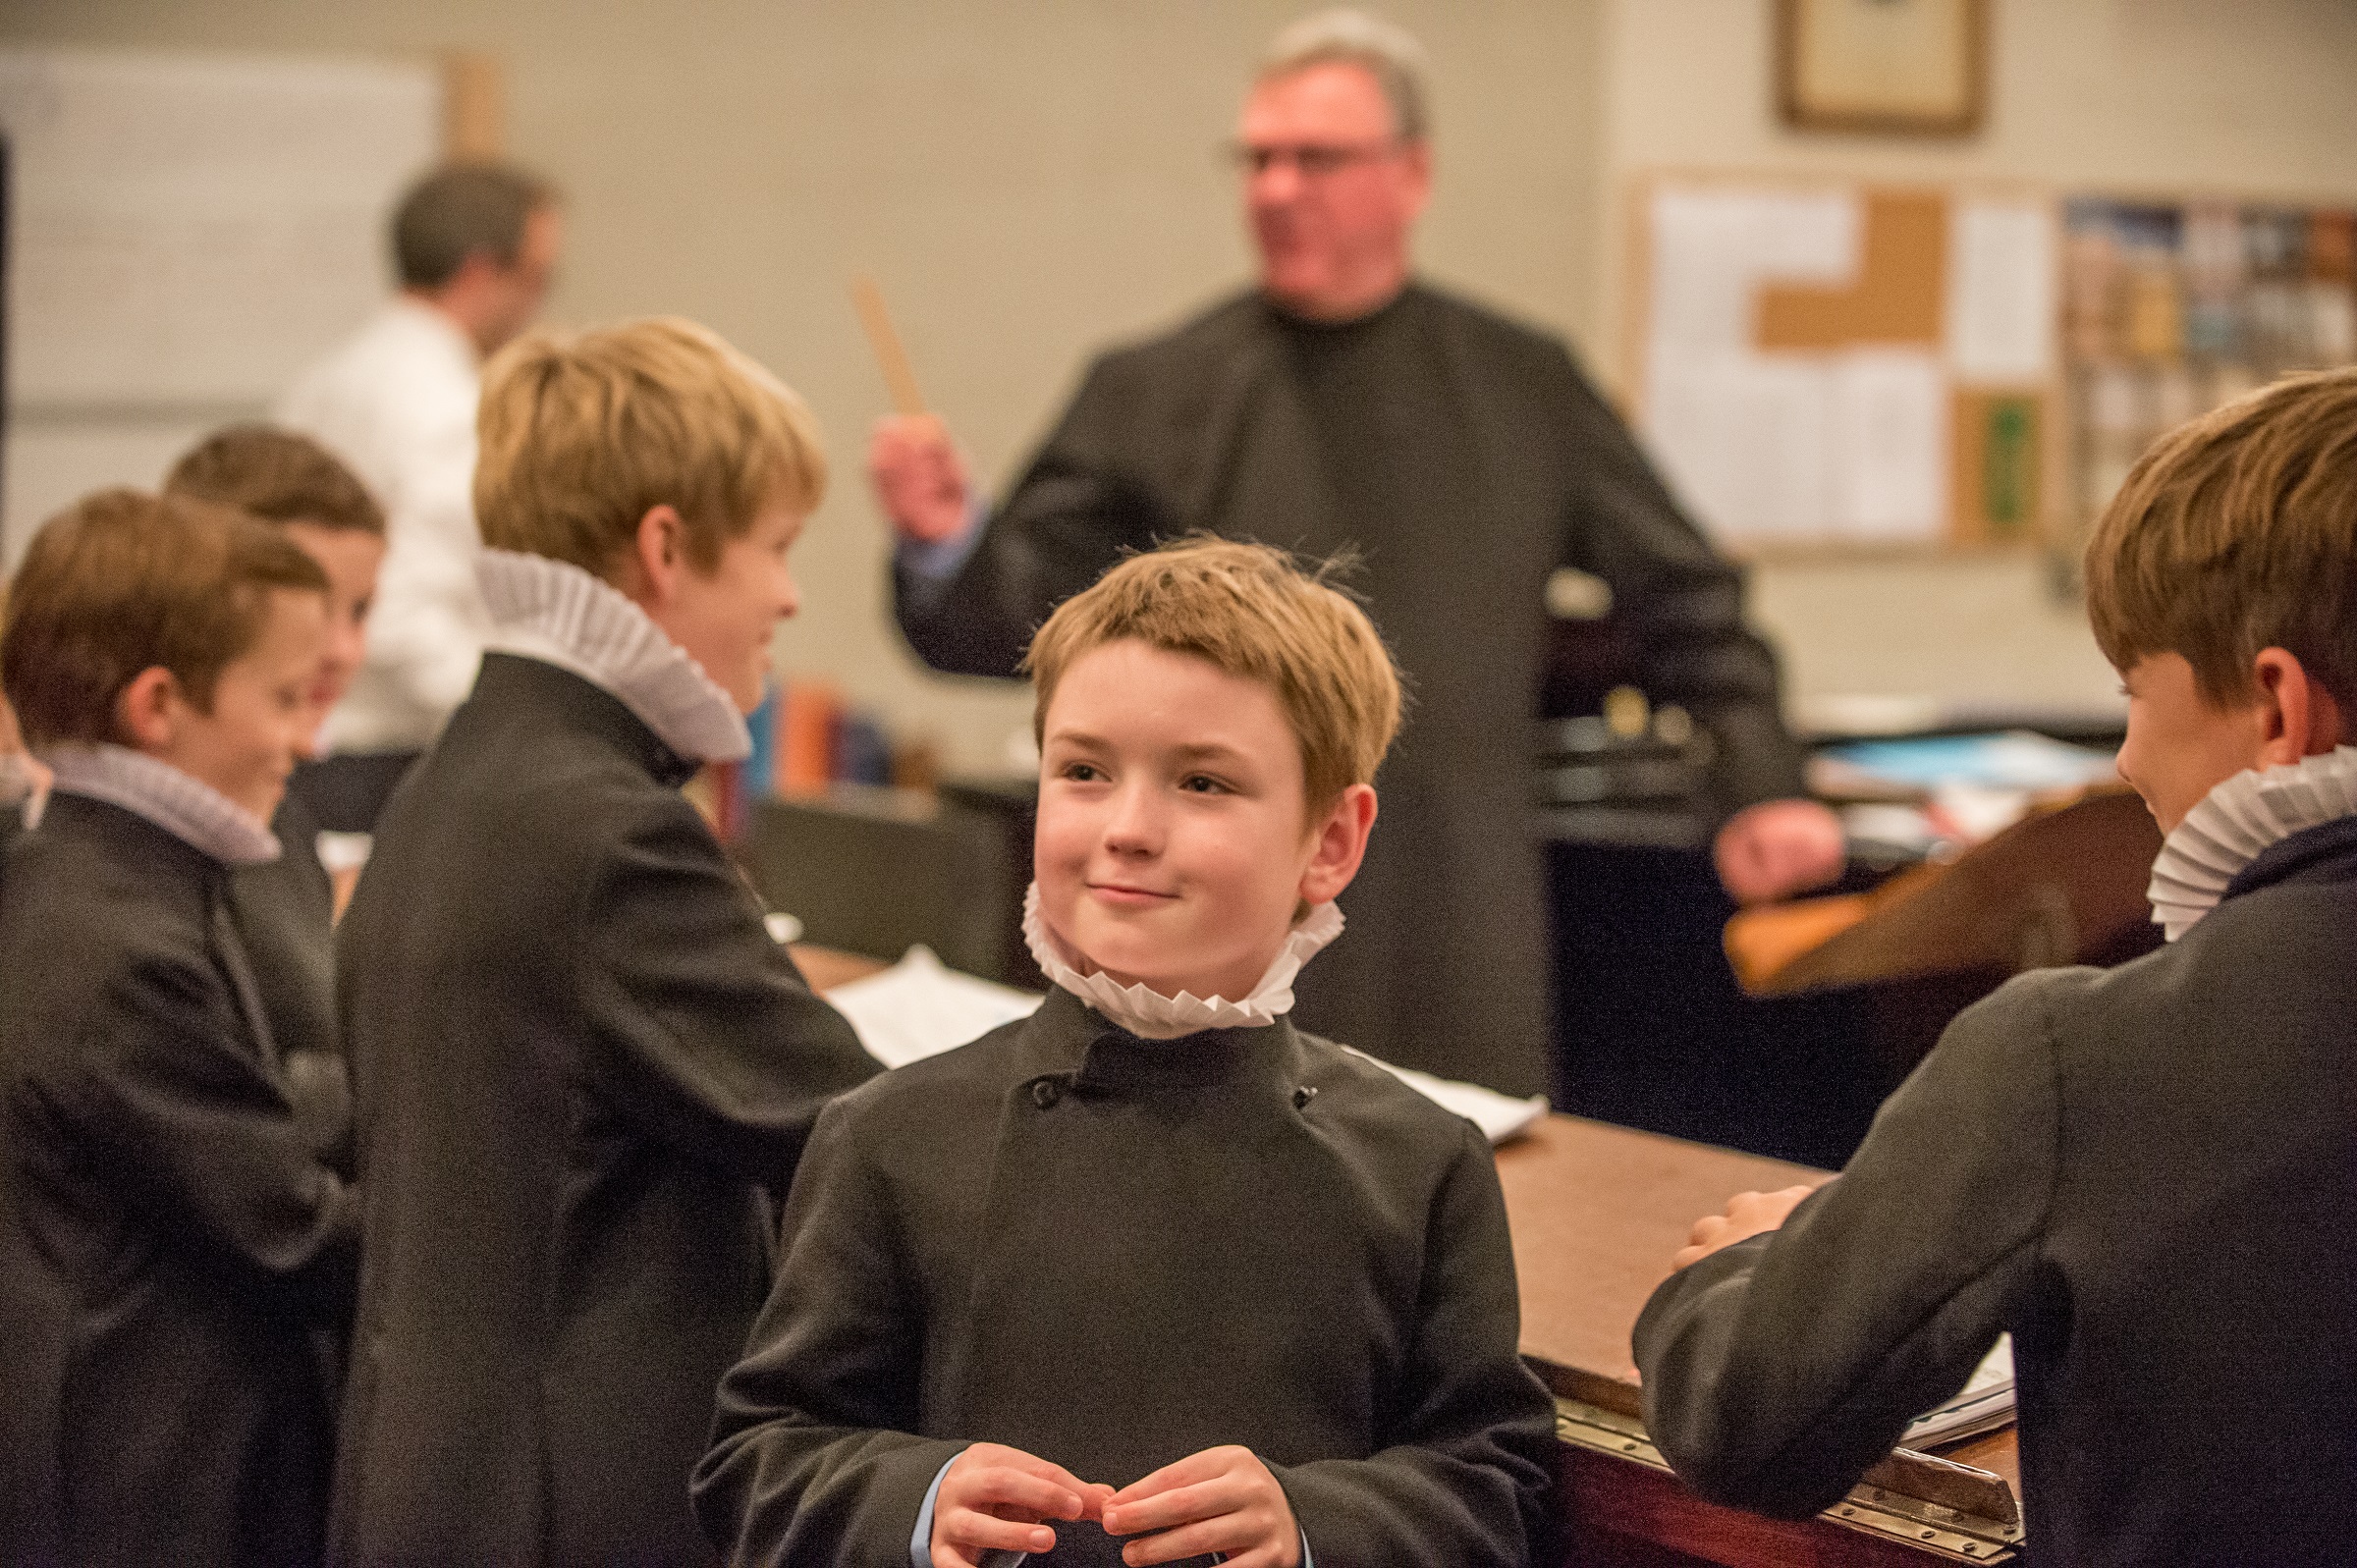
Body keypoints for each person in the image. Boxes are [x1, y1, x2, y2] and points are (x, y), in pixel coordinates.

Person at [870, 9, 1841, 1095]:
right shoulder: (1149, 388)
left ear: (1411, 174)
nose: (1277, 188)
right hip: (1206, 922)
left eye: (1316, 159)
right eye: (1259, 158)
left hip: (1454, 910)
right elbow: (1009, 622)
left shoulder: (1521, 382)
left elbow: (1688, 598)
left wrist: (1764, 783)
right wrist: (942, 540)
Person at [694, 537, 1558, 1568]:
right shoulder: (888, 1134)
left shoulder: (1424, 1162)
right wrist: (918, 1503)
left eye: (1201, 782)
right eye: (1085, 771)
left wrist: (1315, 1524)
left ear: (1330, 841)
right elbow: (760, 1462)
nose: (1130, 828)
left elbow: (1497, 1482)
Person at [1629, 367, 2357, 1567]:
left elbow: (1744, 1417)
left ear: (2278, 707)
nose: (2125, 757)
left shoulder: (2076, 1057)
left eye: (2135, 692)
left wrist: (1764, 1259)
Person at [329, 318, 882, 1568]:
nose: (791, 596)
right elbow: (859, 1131)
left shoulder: (457, 778)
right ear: (666, 547)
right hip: (563, 1499)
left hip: (438, 1478)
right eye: (778, 550)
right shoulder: (607, 831)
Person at [0, 489, 356, 1566]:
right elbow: (287, 1228)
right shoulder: (123, 942)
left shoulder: (90, 875)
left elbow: (232, 1106)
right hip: (147, 1483)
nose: (305, 737)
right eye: (286, 695)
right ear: (158, 706)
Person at [279, 160, 562, 819]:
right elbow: (401, 617)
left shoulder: (322, 380)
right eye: (537, 277)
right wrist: (529, 724)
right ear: (479, 271)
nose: (538, 303)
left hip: (312, 741)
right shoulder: (448, 407)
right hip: (387, 759)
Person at [165, 423, 390, 1166]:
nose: (343, 650)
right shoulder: (143, 843)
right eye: (316, 610)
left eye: (359, 611)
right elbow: (227, 1116)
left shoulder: (278, 811)